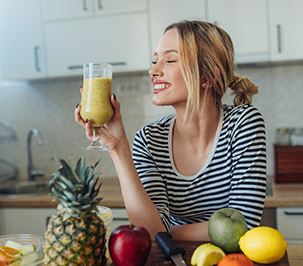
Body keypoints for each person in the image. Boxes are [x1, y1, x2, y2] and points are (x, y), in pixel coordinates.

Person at [75, 20, 266, 241]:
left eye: (170, 60)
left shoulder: (243, 124)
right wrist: (118, 147)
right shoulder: (149, 140)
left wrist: (166, 233)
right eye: (155, 60)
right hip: (172, 262)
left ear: (208, 77)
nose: (153, 70)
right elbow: (149, 233)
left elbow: (244, 226)